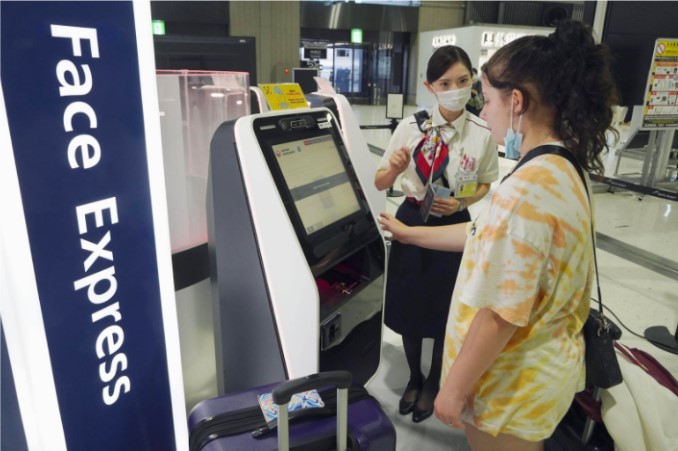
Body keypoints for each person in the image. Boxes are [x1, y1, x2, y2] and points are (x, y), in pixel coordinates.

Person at [379, 20, 618, 450]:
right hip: (539, 375)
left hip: (510, 387)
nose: (482, 110)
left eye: (485, 98)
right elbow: (482, 235)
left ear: (518, 102)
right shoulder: (562, 168)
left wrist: (451, 390)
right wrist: (412, 236)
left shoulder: (526, 192)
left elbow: (502, 313)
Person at [374, 45, 498, 423]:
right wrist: (395, 169)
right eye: (446, 82)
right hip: (412, 219)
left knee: (447, 309)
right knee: (411, 306)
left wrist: (462, 204)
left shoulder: (481, 131)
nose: (456, 88)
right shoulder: (410, 128)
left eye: (463, 80)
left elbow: (485, 184)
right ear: (430, 86)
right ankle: (414, 375)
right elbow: (380, 181)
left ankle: (435, 382)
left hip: (455, 227)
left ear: (472, 80)